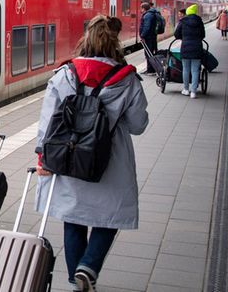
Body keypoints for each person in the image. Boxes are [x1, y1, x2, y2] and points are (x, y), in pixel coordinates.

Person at [34, 16, 149, 292]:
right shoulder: (127, 79)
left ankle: (76, 281)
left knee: (73, 219)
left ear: (85, 40)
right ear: (114, 43)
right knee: (110, 217)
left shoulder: (64, 74)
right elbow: (138, 125)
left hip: (69, 156)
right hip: (109, 159)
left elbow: (47, 121)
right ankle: (88, 267)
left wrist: (42, 157)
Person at [174, 4, 205, 99]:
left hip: (186, 48)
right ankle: (193, 92)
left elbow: (176, 34)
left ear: (187, 13)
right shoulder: (199, 21)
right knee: (195, 70)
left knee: (186, 69)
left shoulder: (182, 21)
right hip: (197, 48)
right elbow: (203, 35)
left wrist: (184, 37)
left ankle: (186, 89)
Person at [139, 2, 163, 75]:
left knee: (148, 54)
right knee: (151, 53)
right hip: (152, 36)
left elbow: (147, 27)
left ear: (143, 8)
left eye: (141, 8)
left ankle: (150, 71)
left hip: (148, 37)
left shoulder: (148, 15)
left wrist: (142, 35)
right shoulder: (152, 14)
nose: (141, 10)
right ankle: (150, 69)